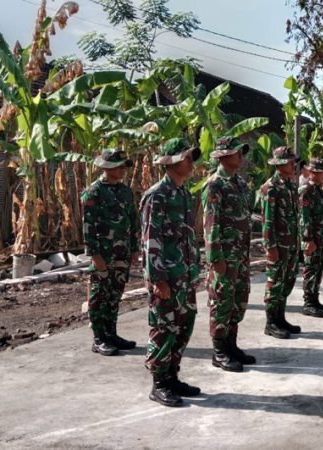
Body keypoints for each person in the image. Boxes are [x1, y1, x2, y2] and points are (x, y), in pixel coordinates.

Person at [140, 138, 202, 407]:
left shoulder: (184, 194)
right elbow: (150, 239)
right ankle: (159, 383)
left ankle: (172, 376)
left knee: (183, 326)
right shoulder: (157, 195)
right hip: (166, 276)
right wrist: (158, 279)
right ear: (173, 161)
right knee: (164, 328)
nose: (191, 163)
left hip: (185, 275)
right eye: (187, 158)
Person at [202, 137, 255, 374]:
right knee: (221, 302)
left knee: (238, 300)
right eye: (236, 153)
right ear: (223, 156)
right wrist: (216, 259)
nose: (240, 156)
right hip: (224, 257)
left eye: (241, 152)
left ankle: (231, 345)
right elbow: (210, 225)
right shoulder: (215, 185)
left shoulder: (240, 183)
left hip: (240, 254)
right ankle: (219, 351)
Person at [81, 148, 139, 357]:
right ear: (107, 167)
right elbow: (88, 227)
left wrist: (134, 248)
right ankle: (99, 338)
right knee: (99, 296)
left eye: (124, 166)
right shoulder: (93, 192)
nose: (123, 169)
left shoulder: (125, 191)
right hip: (103, 255)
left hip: (122, 253)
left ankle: (111, 334)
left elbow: (132, 221)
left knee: (115, 295)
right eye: (119, 166)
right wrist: (95, 256)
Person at [261, 146, 302, 339]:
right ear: (280, 164)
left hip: (291, 243)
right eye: (290, 161)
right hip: (278, 245)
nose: (294, 164)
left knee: (287, 281)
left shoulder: (290, 185)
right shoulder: (271, 187)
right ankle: (271, 323)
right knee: (275, 283)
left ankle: (280, 318)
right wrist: (270, 247)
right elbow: (267, 221)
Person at [298, 158, 323, 317]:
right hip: (312, 240)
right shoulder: (306, 190)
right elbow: (304, 218)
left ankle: (315, 299)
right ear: (311, 173)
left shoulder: (318, 190)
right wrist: (308, 240)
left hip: (321, 239)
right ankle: (308, 303)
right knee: (311, 269)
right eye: (319, 173)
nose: (322, 175)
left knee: (319, 269)